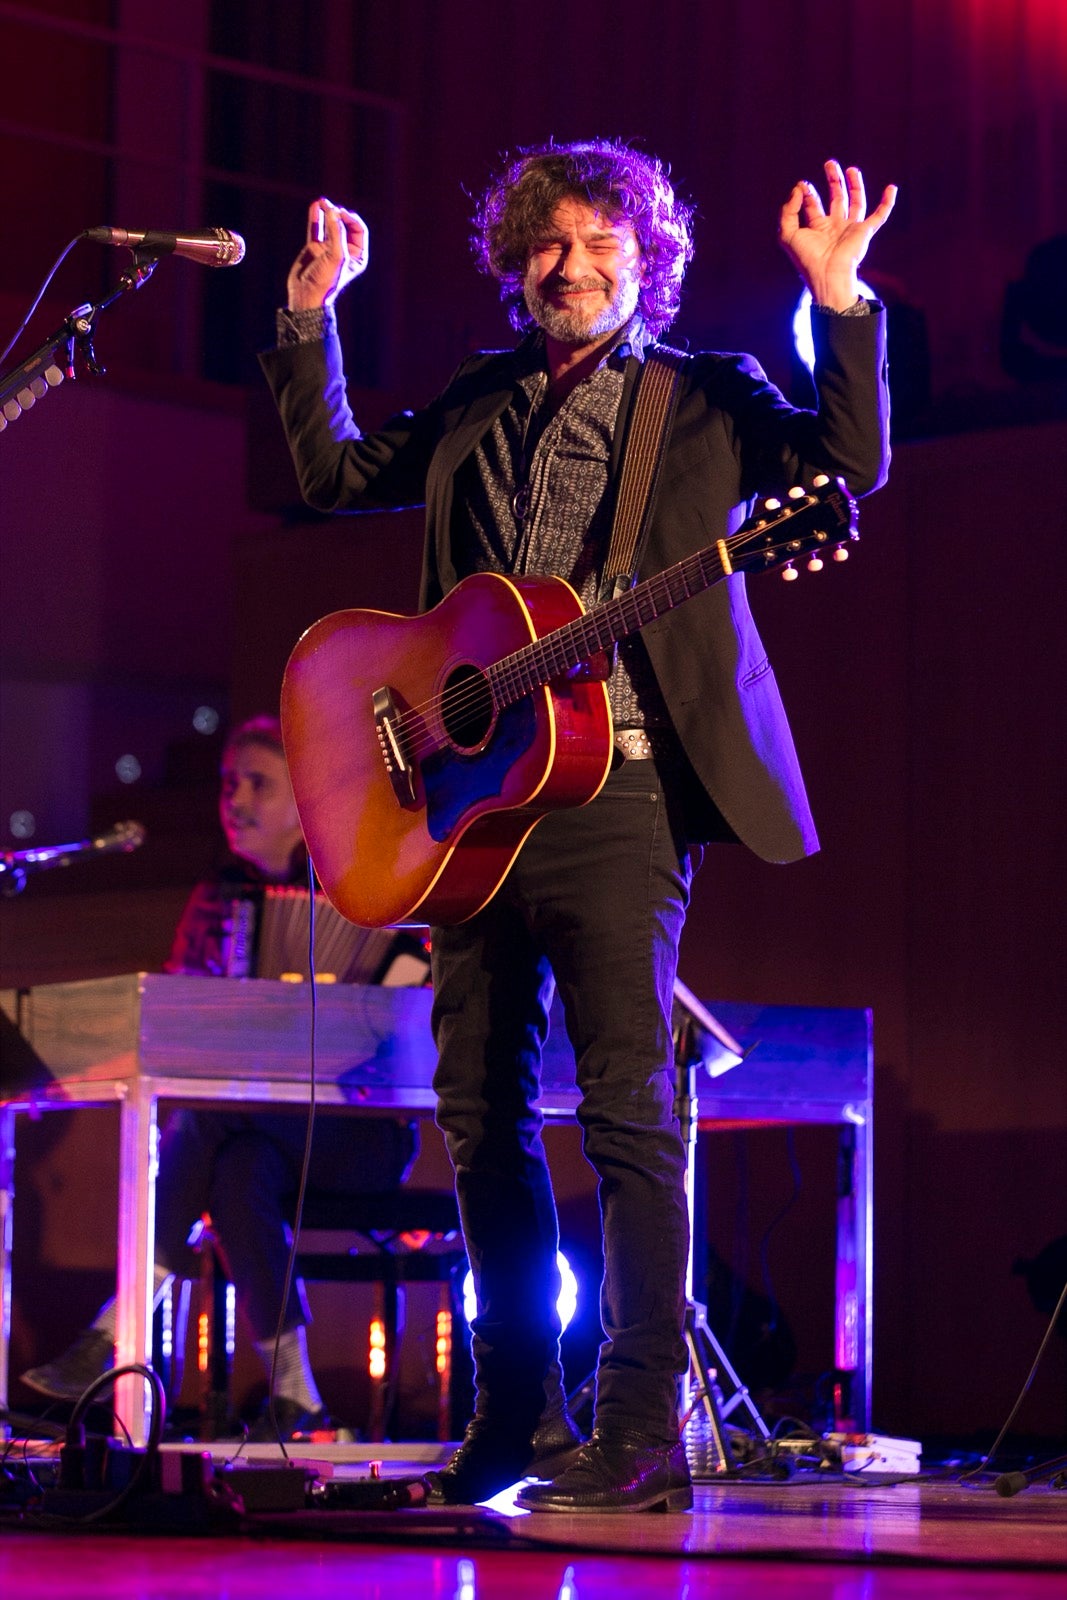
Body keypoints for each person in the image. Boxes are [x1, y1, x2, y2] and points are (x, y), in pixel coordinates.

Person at [259, 140, 896, 1510]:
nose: (571, 266)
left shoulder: (706, 397)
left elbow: (847, 458)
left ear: (646, 258)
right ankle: (509, 1419)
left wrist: (837, 300)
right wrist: (311, 315)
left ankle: (635, 1431)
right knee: (478, 1117)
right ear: (514, 263)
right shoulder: (479, 398)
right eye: (546, 244)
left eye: (601, 243)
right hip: (463, 801)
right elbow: (330, 470)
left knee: (626, 1111)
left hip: (617, 790)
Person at [22, 716, 424, 1440]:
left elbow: (406, 1026)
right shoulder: (215, 903)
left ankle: (118, 1326)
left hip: (358, 1136)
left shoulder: (366, 892)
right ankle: (298, 1402)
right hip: (256, 1138)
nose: (235, 798)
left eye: (258, 784)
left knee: (212, 1123)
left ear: (304, 805)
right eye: (228, 783)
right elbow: (176, 1035)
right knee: (236, 1169)